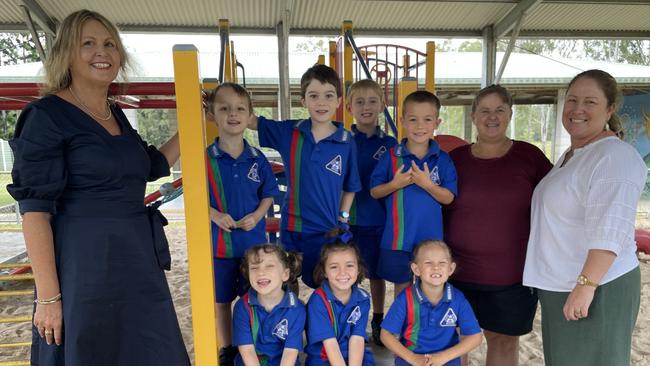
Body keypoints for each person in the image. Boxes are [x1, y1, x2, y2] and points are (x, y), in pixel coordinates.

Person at [6, 9, 189, 365]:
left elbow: (152, 166)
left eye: (109, 44)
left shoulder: (114, 114)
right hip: (84, 270)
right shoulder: (46, 116)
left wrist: (195, 126)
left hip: (137, 264)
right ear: (66, 55)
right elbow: (34, 212)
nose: (101, 52)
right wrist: (48, 298)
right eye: (87, 43)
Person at [523, 69, 646, 366]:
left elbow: (611, 229)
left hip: (596, 286)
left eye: (590, 102)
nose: (577, 109)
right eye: (572, 100)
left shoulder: (613, 157)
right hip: (563, 283)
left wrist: (586, 286)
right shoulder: (575, 154)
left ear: (610, 109)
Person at [443, 85, 552, 366]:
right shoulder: (454, 160)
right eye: (485, 111)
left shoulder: (531, 157)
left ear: (510, 114)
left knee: (502, 341)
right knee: (454, 342)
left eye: (499, 110)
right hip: (456, 273)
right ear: (473, 116)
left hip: (511, 276)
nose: (492, 117)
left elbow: (556, 205)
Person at [248, 64, 361, 289]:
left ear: (339, 101)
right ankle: (292, 323)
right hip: (292, 228)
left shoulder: (346, 141)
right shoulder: (290, 132)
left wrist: (344, 218)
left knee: (327, 289)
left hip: (327, 230)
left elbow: (351, 186)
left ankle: (322, 325)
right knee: (287, 286)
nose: (321, 102)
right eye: (314, 96)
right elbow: (251, 121)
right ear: (303, 101)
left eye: (329, 96)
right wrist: (224, 105)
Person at [205, 83, 280, 365]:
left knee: (256, 298)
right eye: (224, 109)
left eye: (239, 109)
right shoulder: (205, 160)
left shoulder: (257, 158)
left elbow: (268, 195)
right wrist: (213, 214)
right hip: (219, 247)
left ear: (250, 115)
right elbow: (196, 197)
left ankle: (255, 344)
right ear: (212, 115)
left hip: (254, 249)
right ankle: (227, 349)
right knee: (222, 300)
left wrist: (258, 216)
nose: (232, 115)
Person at [370, 90, 457, 297]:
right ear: (402, 121)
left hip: (431, 241)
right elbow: (374, 191)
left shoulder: (442, 159)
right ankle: (404, 328)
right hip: (398, 240)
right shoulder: (392, 157)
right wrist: (395, 184)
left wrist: (427, 184)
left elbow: (449, 197)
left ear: (437, 122)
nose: (420, 126)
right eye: (413, 119)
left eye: (427, 119)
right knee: (402, 290)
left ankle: (425, 328)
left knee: (431, 289)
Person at [346, 79, 397, 346]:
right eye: (360, 101)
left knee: (377, 275)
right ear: (348, 106)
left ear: (382, 104)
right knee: (347, 275)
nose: (366, 107)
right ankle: (349, 321)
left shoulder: (391, 144)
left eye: (372, 101)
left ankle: (378, 320)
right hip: (348, 222)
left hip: (379, 221)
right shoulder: (341, 141)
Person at [380, 240, 482, 366]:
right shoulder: (405, 298)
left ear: (451, 269)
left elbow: (475, 337)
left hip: (447, 361)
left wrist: (444, 357)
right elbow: (385, 334)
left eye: (442, 262)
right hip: (411, 360)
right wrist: (412, 358)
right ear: (416, 269)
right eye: (428, 262)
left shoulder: (458, 299)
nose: (436, 267)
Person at [305, 230, 375, 366]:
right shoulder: (318, 300)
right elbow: (329, 343)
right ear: (324, 271)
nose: (342, 273)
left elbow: (357, 338)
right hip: (324, 356)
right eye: (334, 267)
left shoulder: (363, 299)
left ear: (358, 269)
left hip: (353, 353)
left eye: (349, 265)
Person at [233, 244, 306, 366]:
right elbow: (247, 351)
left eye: (269, 266)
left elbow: (290, 352)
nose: (261, 272)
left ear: (285, 274)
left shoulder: (297, 308)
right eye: (254, 268)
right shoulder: (242, 307)